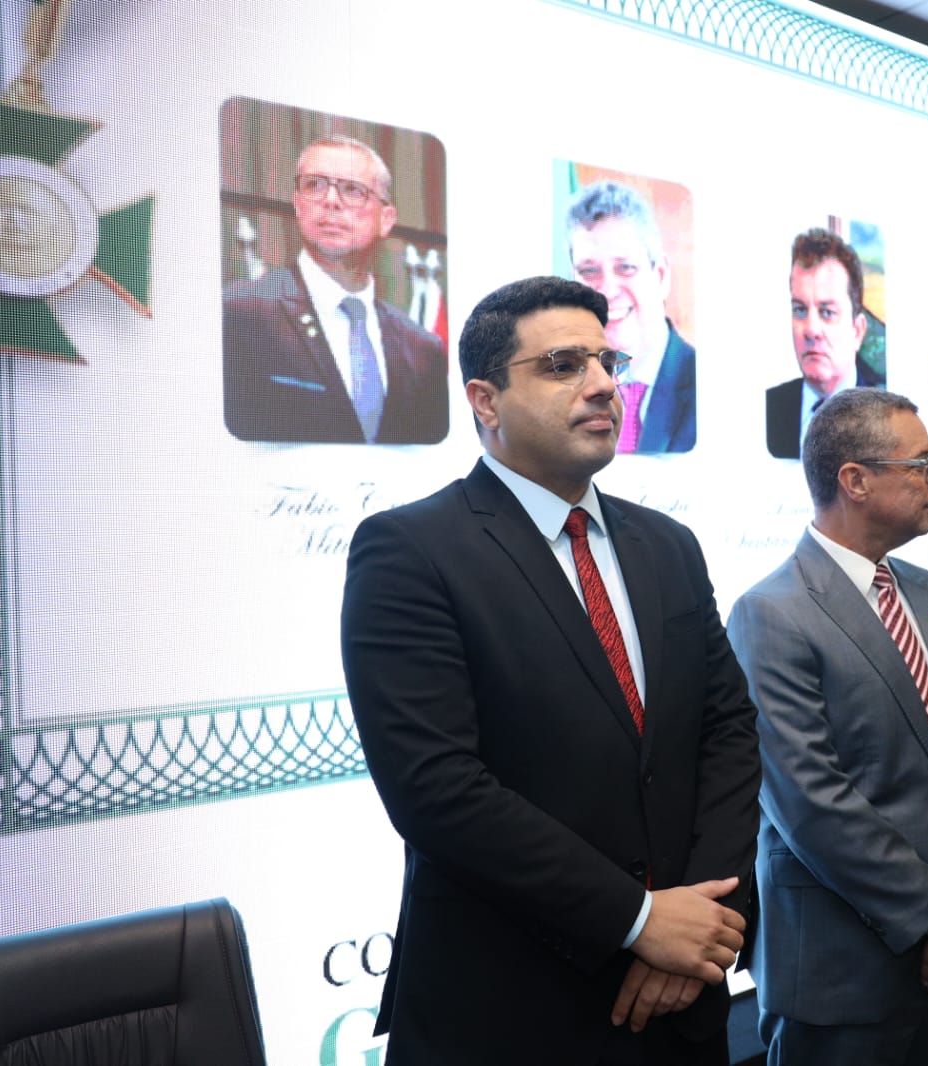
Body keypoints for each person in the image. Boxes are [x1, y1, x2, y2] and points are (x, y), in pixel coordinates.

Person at [340, 276, 760, 1063]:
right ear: (485, 401)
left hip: (683, 1009)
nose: (603, 384)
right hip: (513, 1010)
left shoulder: (668, 545)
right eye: (564, 365)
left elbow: (729, 732)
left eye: (607, 361)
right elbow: (437, 790)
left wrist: (701, 924)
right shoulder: (410, 552)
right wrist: (638, 921)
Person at [728, 389, 928, 1064]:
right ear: (854, 480)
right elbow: (812, 804)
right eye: (921, 464)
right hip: (840, 971)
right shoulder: (771, 613)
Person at [223, 135, 448, 444]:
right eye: (315, 185)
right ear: (298, 205)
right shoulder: (239, 313)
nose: (330, 200)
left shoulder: (423, 348)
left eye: (352, 190)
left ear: (386, 219)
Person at [567, 180, 696, 453]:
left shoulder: (707, 384)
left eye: (625, 267)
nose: (607, 291)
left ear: (660, 276)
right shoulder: (561, 392)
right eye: (589, 271)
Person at [767, 228, 875, 460]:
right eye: (800, 310)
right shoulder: (770, 408)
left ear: (857, 330)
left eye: (827, 312)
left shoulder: (885, 416)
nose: (811, 330)